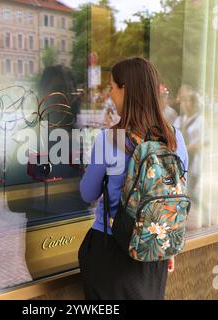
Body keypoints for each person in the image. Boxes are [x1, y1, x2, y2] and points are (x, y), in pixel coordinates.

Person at [78, 57, 189, 300]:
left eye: (112, 87)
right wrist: (167, 249)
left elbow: (87, 194)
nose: (110, 95)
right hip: (154, 250)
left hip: (111, 250)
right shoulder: (175, 138)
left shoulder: (108, 139)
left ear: (125, 89)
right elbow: (175, 195)